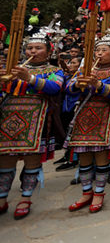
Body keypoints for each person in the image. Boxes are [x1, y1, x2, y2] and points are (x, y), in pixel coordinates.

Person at [0, 30, 64, 219]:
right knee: (5, 160)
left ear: (49, 51)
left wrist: (29, 78)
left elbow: (55, 88)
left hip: (38, 119)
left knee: (32, 160)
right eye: (29, 48)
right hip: (8, 117)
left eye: (38, 48)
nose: (33, 52)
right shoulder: (12, 68)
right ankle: (2, 197)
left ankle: (26, 197)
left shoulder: (54, 71)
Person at [65, 30, 110, 213]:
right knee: (84, 158)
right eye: (97, 50)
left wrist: (98, 85)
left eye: (104, 50)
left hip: (105, 117)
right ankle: (86, 193)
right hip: (84, 117)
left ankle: (99, 193)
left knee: (101, 158)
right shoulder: (84, 70)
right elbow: (68, 89)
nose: (99, 53)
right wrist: (78, 84)